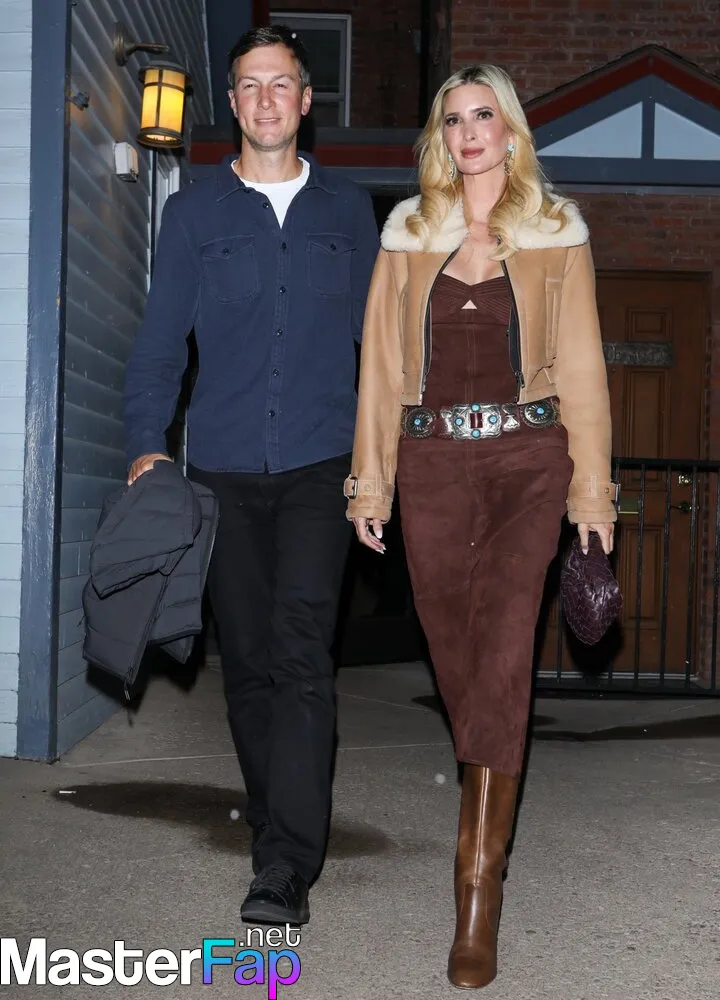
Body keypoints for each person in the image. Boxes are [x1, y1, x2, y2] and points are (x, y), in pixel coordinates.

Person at [345, 64, 617, 988]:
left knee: (502, 647)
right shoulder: (407, 234)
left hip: (527, 460)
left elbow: (582, 372)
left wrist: (592, 500)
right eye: (453, 118)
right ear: (441, 136)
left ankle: (476, 887)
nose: (468, 132)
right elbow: (381, 372)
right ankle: (486, 813)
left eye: (484, 116)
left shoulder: (555, 232)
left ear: (510, 133)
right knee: (455, 652)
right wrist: (370, 484)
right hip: (430, 463)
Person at [124, 25, 379, 925]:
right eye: (249, 85)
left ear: (306, 101)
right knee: (249, 667)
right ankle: (278, 828)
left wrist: (385, 461)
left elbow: (379, 347)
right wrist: (146, 441)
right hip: (223, 471)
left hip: (321, 463)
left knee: (303, 655)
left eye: (282, 84)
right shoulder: (195, 214)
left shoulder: (350, 212)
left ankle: (284, 865)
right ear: (232, 103)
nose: (266, 99)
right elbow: (161, 341)